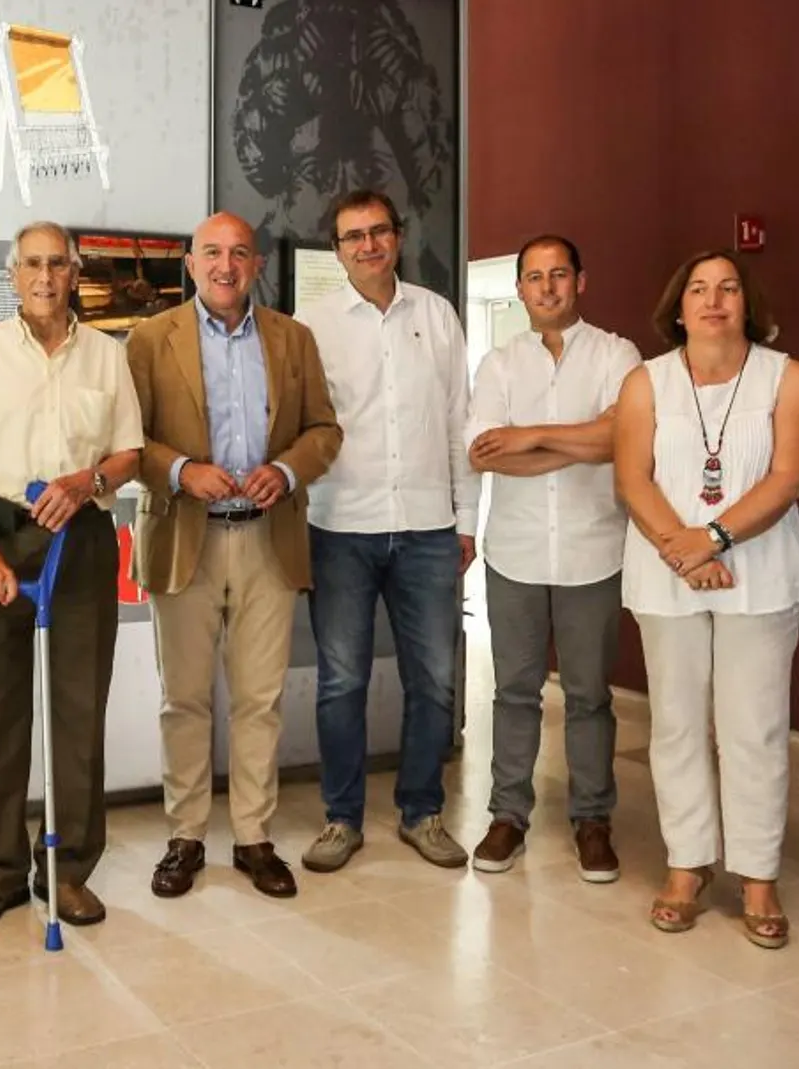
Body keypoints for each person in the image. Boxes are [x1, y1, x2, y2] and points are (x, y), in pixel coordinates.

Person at [0, 220, 145, 933]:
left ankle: (69, 869)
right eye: (32, 265)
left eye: (58, 264)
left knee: (79, 709)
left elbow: (130, 454)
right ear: (13, 275)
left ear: (75, 272)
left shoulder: (108, 356)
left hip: (78, 534)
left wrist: (90, 480)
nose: (46, 277)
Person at [129, 211, 343, 899]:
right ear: (189, 264)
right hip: (183, 535)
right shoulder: (148, 338)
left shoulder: (293, 338)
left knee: (260, 698)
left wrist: (284, 472)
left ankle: (253, 836)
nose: (226, 265)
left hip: (266, 538)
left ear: (257, 266)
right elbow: (127, 438)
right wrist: (179, 470)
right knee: (184, 699)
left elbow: (324, 430)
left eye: (240, 254)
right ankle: (185, 836)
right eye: (212, 253)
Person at [615, 250, 799, 949]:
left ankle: (758, 875)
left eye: (728, 287)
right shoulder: (646, 381)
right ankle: (686, 864)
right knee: (674, 724)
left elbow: (790, 476)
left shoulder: (788, 378)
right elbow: (632, 476)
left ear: (746, 302)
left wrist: (716, 537)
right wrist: (684, 546)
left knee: (753, 728)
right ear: (678, 306)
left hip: (757, 571)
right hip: (669, 569)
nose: (713, 299)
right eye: (698, 289)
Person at [292, 190, 475, 873]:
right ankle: (341, 818)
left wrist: (467, 518)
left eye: (378, 232)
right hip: (340, 525)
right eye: (351, 237)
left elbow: (462, 422)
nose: (367, 245)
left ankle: (421, 811)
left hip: (429, 528)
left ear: (398, 236)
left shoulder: (437, 314)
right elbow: (301, 428)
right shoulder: (310, 325)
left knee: (433, 680)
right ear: (335, 250)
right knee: (340, 681)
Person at [463, 235, 642, 881]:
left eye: (558, 274)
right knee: (515, 693)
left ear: (580, 281)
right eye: (534, 277)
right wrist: (586, 440)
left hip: (595, 550)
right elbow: (485, 452)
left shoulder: (617, 353)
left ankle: (593, 820)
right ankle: (508, 815)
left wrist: (532, 435)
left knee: (591, 695)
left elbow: (626, 436)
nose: (547, 287)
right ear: (520, 290)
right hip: (514, 551)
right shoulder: (499, 365)